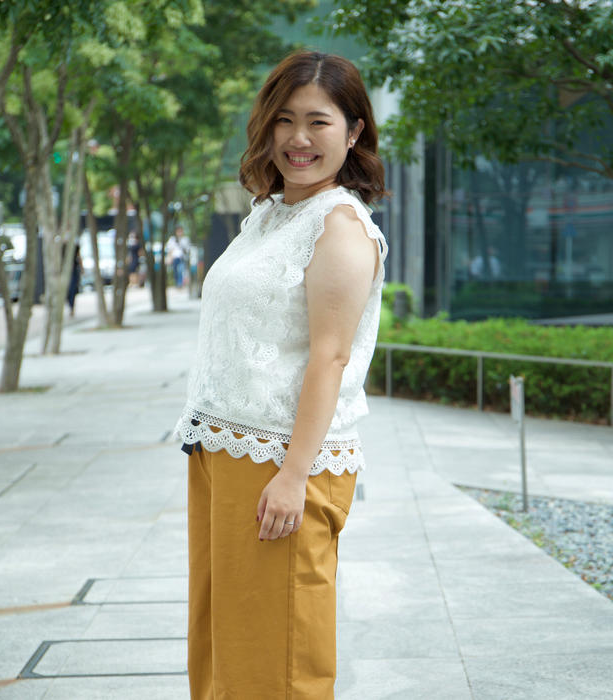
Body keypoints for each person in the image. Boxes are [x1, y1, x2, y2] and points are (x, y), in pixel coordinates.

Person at [173, 51, 388, 699]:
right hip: (225, 450)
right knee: (226, 643)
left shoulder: (339, 227)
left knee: (280, 656)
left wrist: (294, 476)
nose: (298, 138)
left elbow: (330, 357)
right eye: (284, 119)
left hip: (285, 461)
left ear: (353, 131)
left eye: (318, 122)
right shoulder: (270, 214)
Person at [66, 243, 82, 317]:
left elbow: (79, 256)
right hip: (65, 271)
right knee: (67, 290)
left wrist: (82, 268)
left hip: (73, 270)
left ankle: (71, 307)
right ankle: (70, 306)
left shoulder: (75, 245)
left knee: (72, 289)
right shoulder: (60, 245)